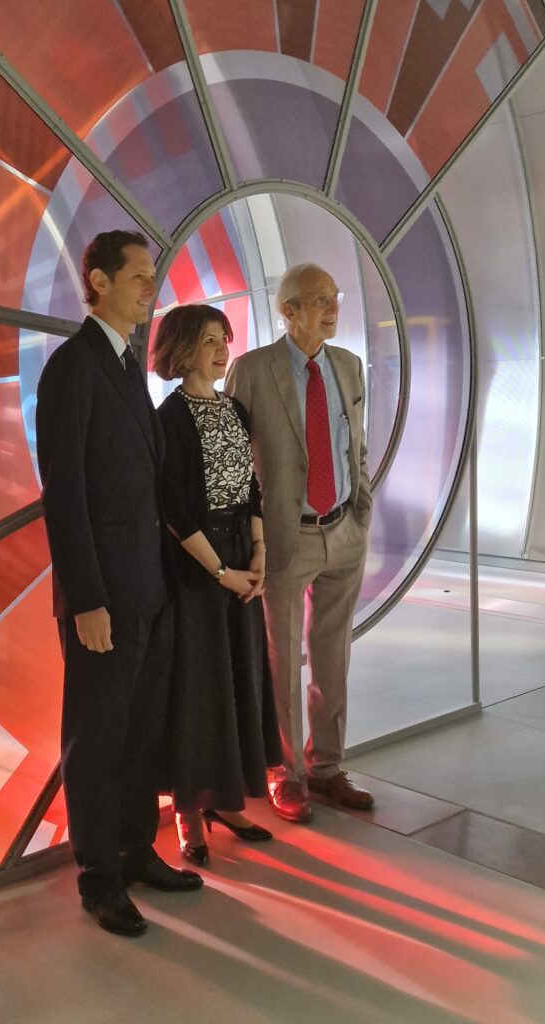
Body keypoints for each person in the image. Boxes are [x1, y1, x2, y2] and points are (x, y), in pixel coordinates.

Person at [35, 230, 203, 938]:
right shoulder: (74, 369)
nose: (150, 287)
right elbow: (65, 494)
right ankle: (98, 876)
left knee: (137, 736)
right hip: (106, 596)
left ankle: (137, 851)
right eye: (138, 275)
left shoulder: (129, 368)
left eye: (151, 275)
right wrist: (88, 600)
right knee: (97, 739)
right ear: (98, 282)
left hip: (149, 590)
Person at [225, 263, 374, 824]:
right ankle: (284, 773)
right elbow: (238, 464)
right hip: (288, 537)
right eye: (316, 300)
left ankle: (327, 767)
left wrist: (360, 511)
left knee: (333, 654)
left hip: (343, 531)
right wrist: (254, 538)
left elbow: (354, 447)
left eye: (332, 297)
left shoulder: (348, 365)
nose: (330, 308)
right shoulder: (253, 370)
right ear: (286, 311)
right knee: (282, 659)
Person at [154, 304, 282, 865]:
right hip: (198, 567)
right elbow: (176, 510)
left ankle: (225, 799)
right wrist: (222, 572)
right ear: (182, 348)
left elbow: (251, 489)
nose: (220, 349)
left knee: (240, 679)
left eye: (222, 338)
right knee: (199, 688)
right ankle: (189, 811)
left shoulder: (233, 408)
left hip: (238, 556)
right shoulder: (170, 417)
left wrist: (258, 555)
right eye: (208, 340)